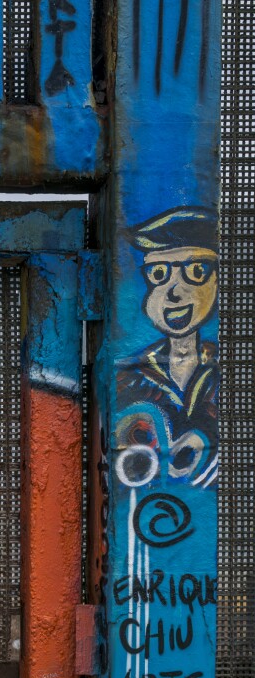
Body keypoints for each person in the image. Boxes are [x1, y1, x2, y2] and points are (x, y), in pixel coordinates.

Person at [116, 207, 219, 485]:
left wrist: (206, 436)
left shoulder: (228, 369)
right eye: (159, 273)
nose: (173, 291)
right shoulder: (129, 375)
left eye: (195, 271)